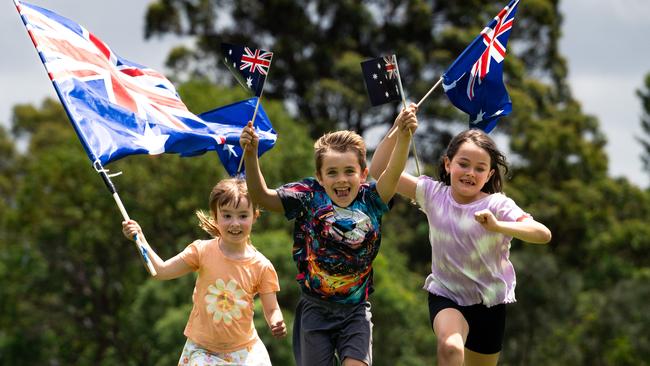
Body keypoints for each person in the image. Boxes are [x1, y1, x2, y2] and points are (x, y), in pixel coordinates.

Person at [370, 104, 552, 366]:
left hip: (489, 305)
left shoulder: (498, 205)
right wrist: (400, 130)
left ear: (489, 174)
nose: (470, 173)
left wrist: (499, 226)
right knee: (451, 348)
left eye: (479, 168)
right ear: (448, 164)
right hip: (446, 295)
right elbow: (379, 171)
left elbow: (542, 233)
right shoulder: (432, 194)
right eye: (463, 164)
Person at [238, 111, 417, 366]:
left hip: (355, 311)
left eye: (349, 171)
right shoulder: (308, 197)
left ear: (363, 174)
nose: (341, 179)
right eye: (332, 173)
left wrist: (403, 136)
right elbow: (262, 197)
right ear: (320, 177)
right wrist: (251, 155)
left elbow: (394, 171)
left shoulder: (372, 200)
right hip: (315, 309)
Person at [122, 178, 286, 366]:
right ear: (215, 216)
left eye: (243, 216)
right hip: (203, 350)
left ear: (255, 216)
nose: (235, 223)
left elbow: (272, 308)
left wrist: (276, 321)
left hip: (244, 351)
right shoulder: (201, 251)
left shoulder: (261, 265)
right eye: (227, 216)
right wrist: (139, 238)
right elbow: (160, 270)